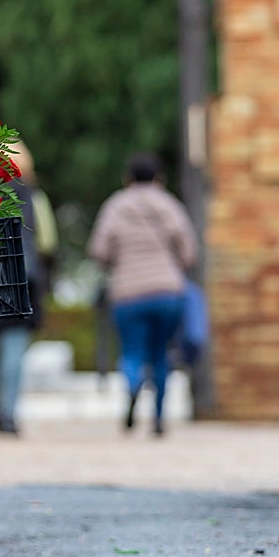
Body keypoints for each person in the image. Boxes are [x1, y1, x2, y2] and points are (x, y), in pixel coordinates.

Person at [86, 152, 198, 437]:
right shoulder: (170, 206)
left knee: (133, 352)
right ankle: (159, 418)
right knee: (161, 354)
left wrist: (118, 261)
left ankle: (133, 385)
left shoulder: (115, 206)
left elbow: (98, 251)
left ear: (128, 178)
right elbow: (189, 254)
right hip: (167, 292)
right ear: (159, 178)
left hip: (128, 294)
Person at [0, 142, 57, 435]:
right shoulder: (33, 195)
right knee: (14, 348)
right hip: (21, 277)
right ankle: (8, 411)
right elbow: (47, 240)